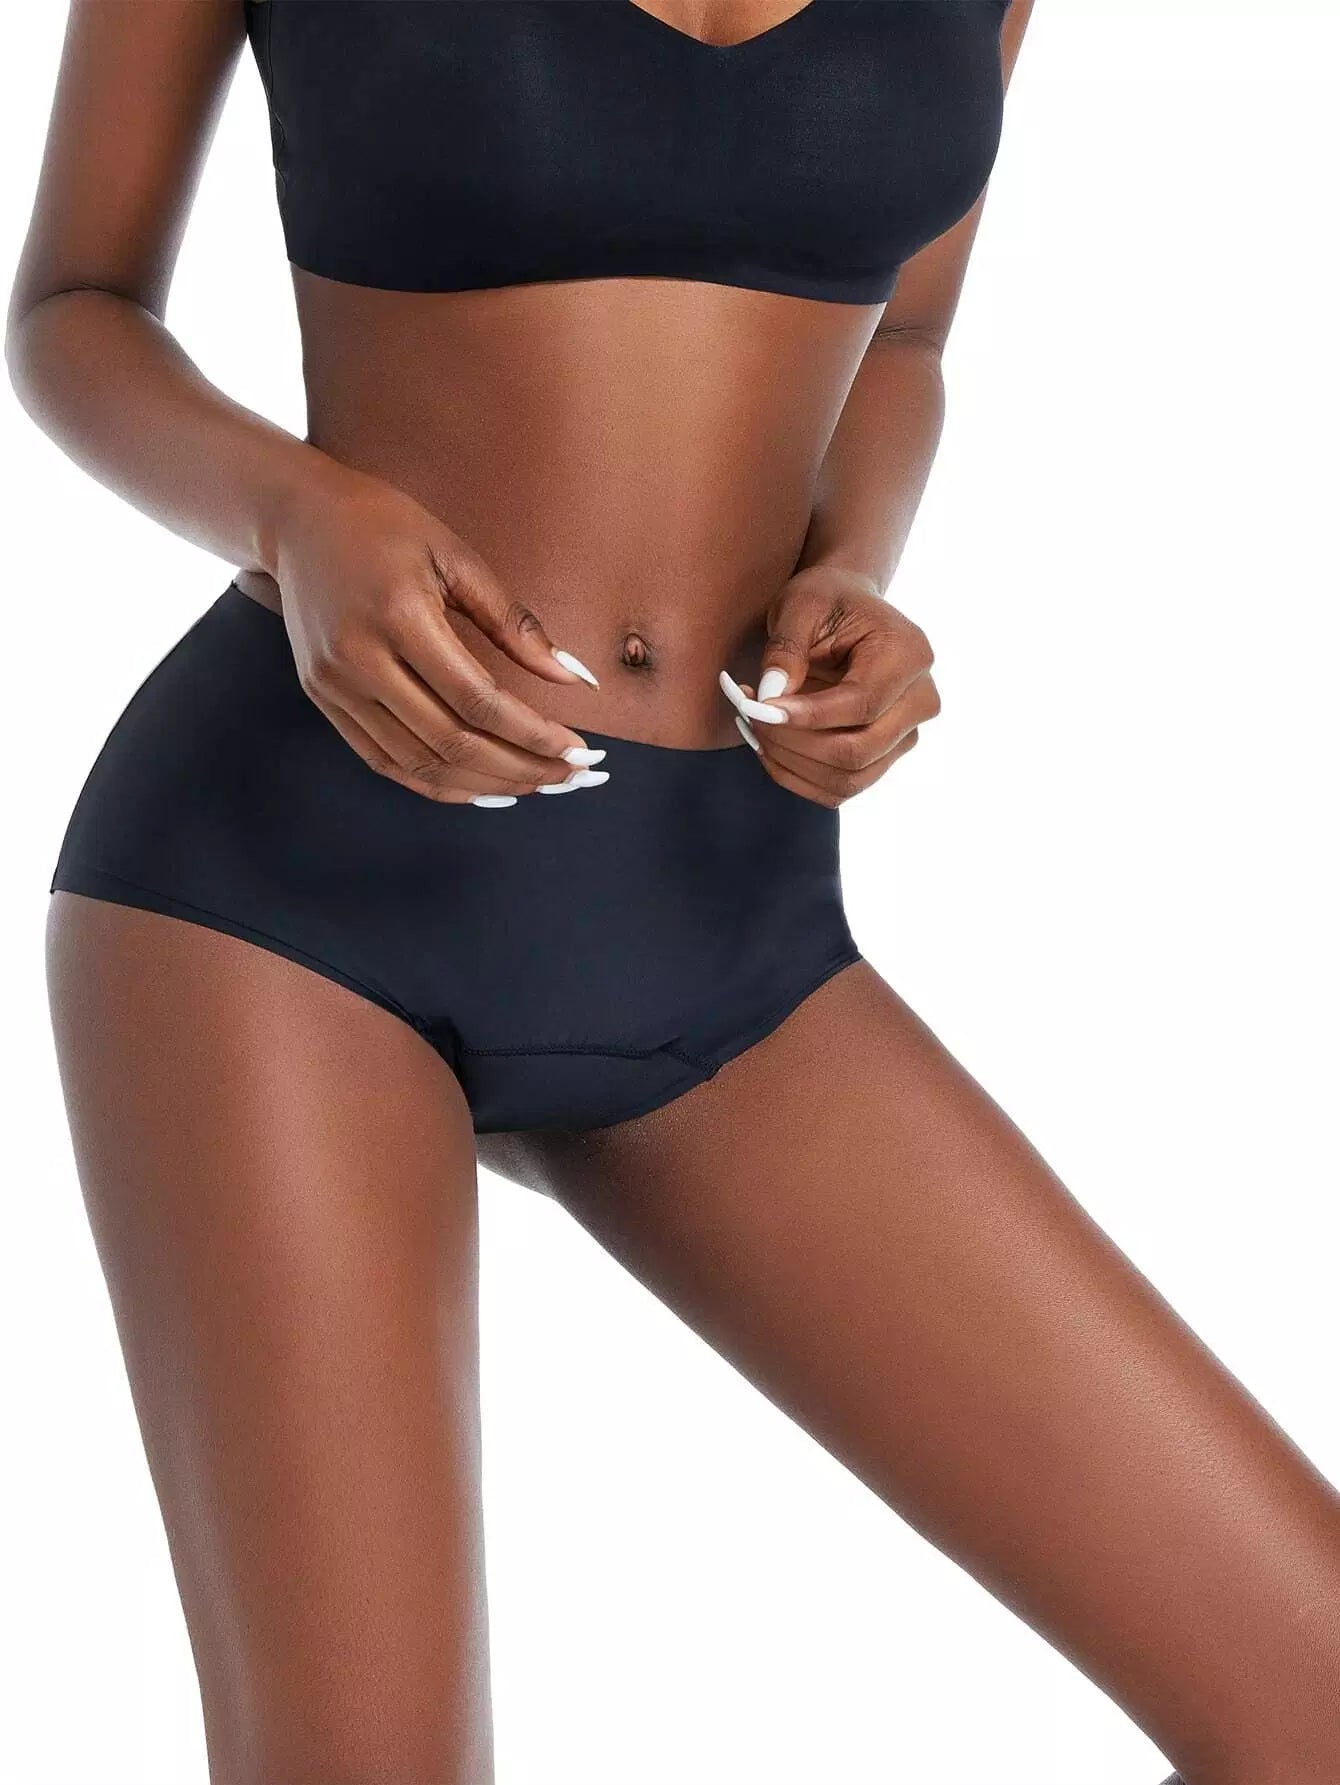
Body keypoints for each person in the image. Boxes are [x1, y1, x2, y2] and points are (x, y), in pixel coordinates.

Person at [7, 5, 1338, 1783]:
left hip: (725, 924)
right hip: (287, 887)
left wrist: (856, 568)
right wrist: (296, 517)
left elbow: (903, 332)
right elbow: (75, 304)